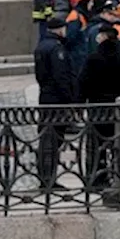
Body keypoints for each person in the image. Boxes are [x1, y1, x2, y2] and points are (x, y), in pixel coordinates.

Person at [78, 24, 120, 195]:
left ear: (103, 37)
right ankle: (118, 177)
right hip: (118, 109)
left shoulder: (93, 58)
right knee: (118, 144)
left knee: (95, 145)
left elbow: (83, 82)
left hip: (97, 107)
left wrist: (80, 104)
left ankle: (96, 178)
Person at [33, 16, 76, 189]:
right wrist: (70, 98)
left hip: (45, 96)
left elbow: (40, 76)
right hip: (56, 100)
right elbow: (61, 76)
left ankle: (44, 176)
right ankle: (48, 178)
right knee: (53, 139)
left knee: (46, 137)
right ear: (59, 29)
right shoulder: (56, 48)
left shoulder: (41, 46)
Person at [64, 0, 93, 79]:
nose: (92, 4)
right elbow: (70, 37)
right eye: (90, 1)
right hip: (76, 56)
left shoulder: (81, 15)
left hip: (80, 54)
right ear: (85, 1)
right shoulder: (75, 16)